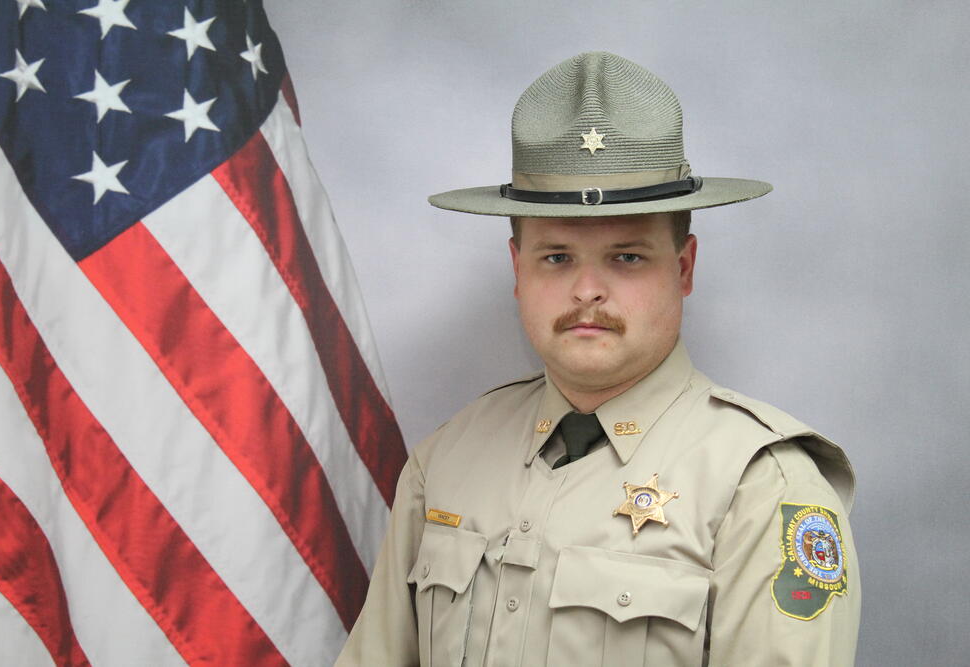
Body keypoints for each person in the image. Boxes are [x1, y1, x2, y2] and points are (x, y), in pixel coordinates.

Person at [336, 52, 860, 666]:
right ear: (517, 270)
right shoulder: (446, 460)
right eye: (556, 257)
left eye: (627, 257)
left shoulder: (760, 487)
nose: (587, 290)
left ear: (684, 268)